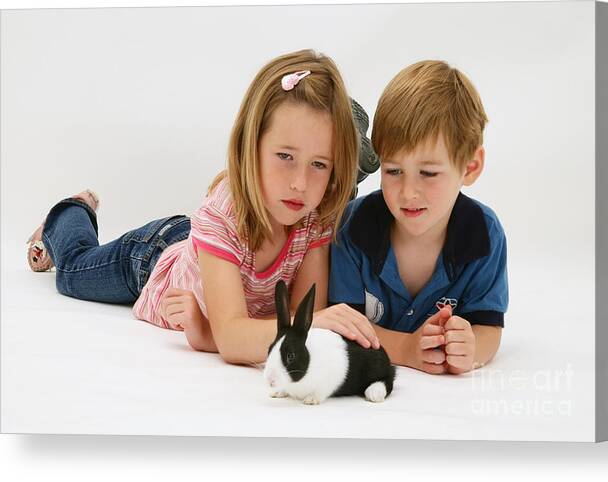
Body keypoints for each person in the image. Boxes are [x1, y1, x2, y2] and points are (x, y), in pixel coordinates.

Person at [27, 49, 380, 364]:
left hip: (204, 247)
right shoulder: (225, 211)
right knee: (71, 271)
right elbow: (238, 339)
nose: (300, 183)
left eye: (319, 164)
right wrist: (222, 335)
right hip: (151, 259)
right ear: (249, 148)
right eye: (285, 156)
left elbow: (300, 320)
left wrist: (216, 332)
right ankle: (71, 211)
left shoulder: (314, 215)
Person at [328, 60, 508, 375]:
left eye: (428, 173)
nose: (408, 192)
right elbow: (343, 329)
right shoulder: (352, 227)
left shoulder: (483, 233)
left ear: (470, 167)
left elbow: (488, 328)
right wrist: (407, 350)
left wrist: (471, 346)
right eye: (394, 171)